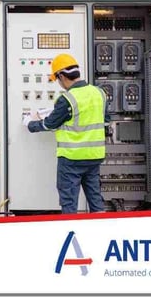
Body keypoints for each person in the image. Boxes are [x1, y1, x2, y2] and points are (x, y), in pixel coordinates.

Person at [22, 53, 108, 214]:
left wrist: (29, 123)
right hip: (94, 157)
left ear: (61, 75)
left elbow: (49, 124)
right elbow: (106, 121)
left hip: (71, 159)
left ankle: (70, 233)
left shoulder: (67, 99)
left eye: (57, 80)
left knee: (69, 203)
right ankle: (101, 234)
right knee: (95, 200)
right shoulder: (100, 94)